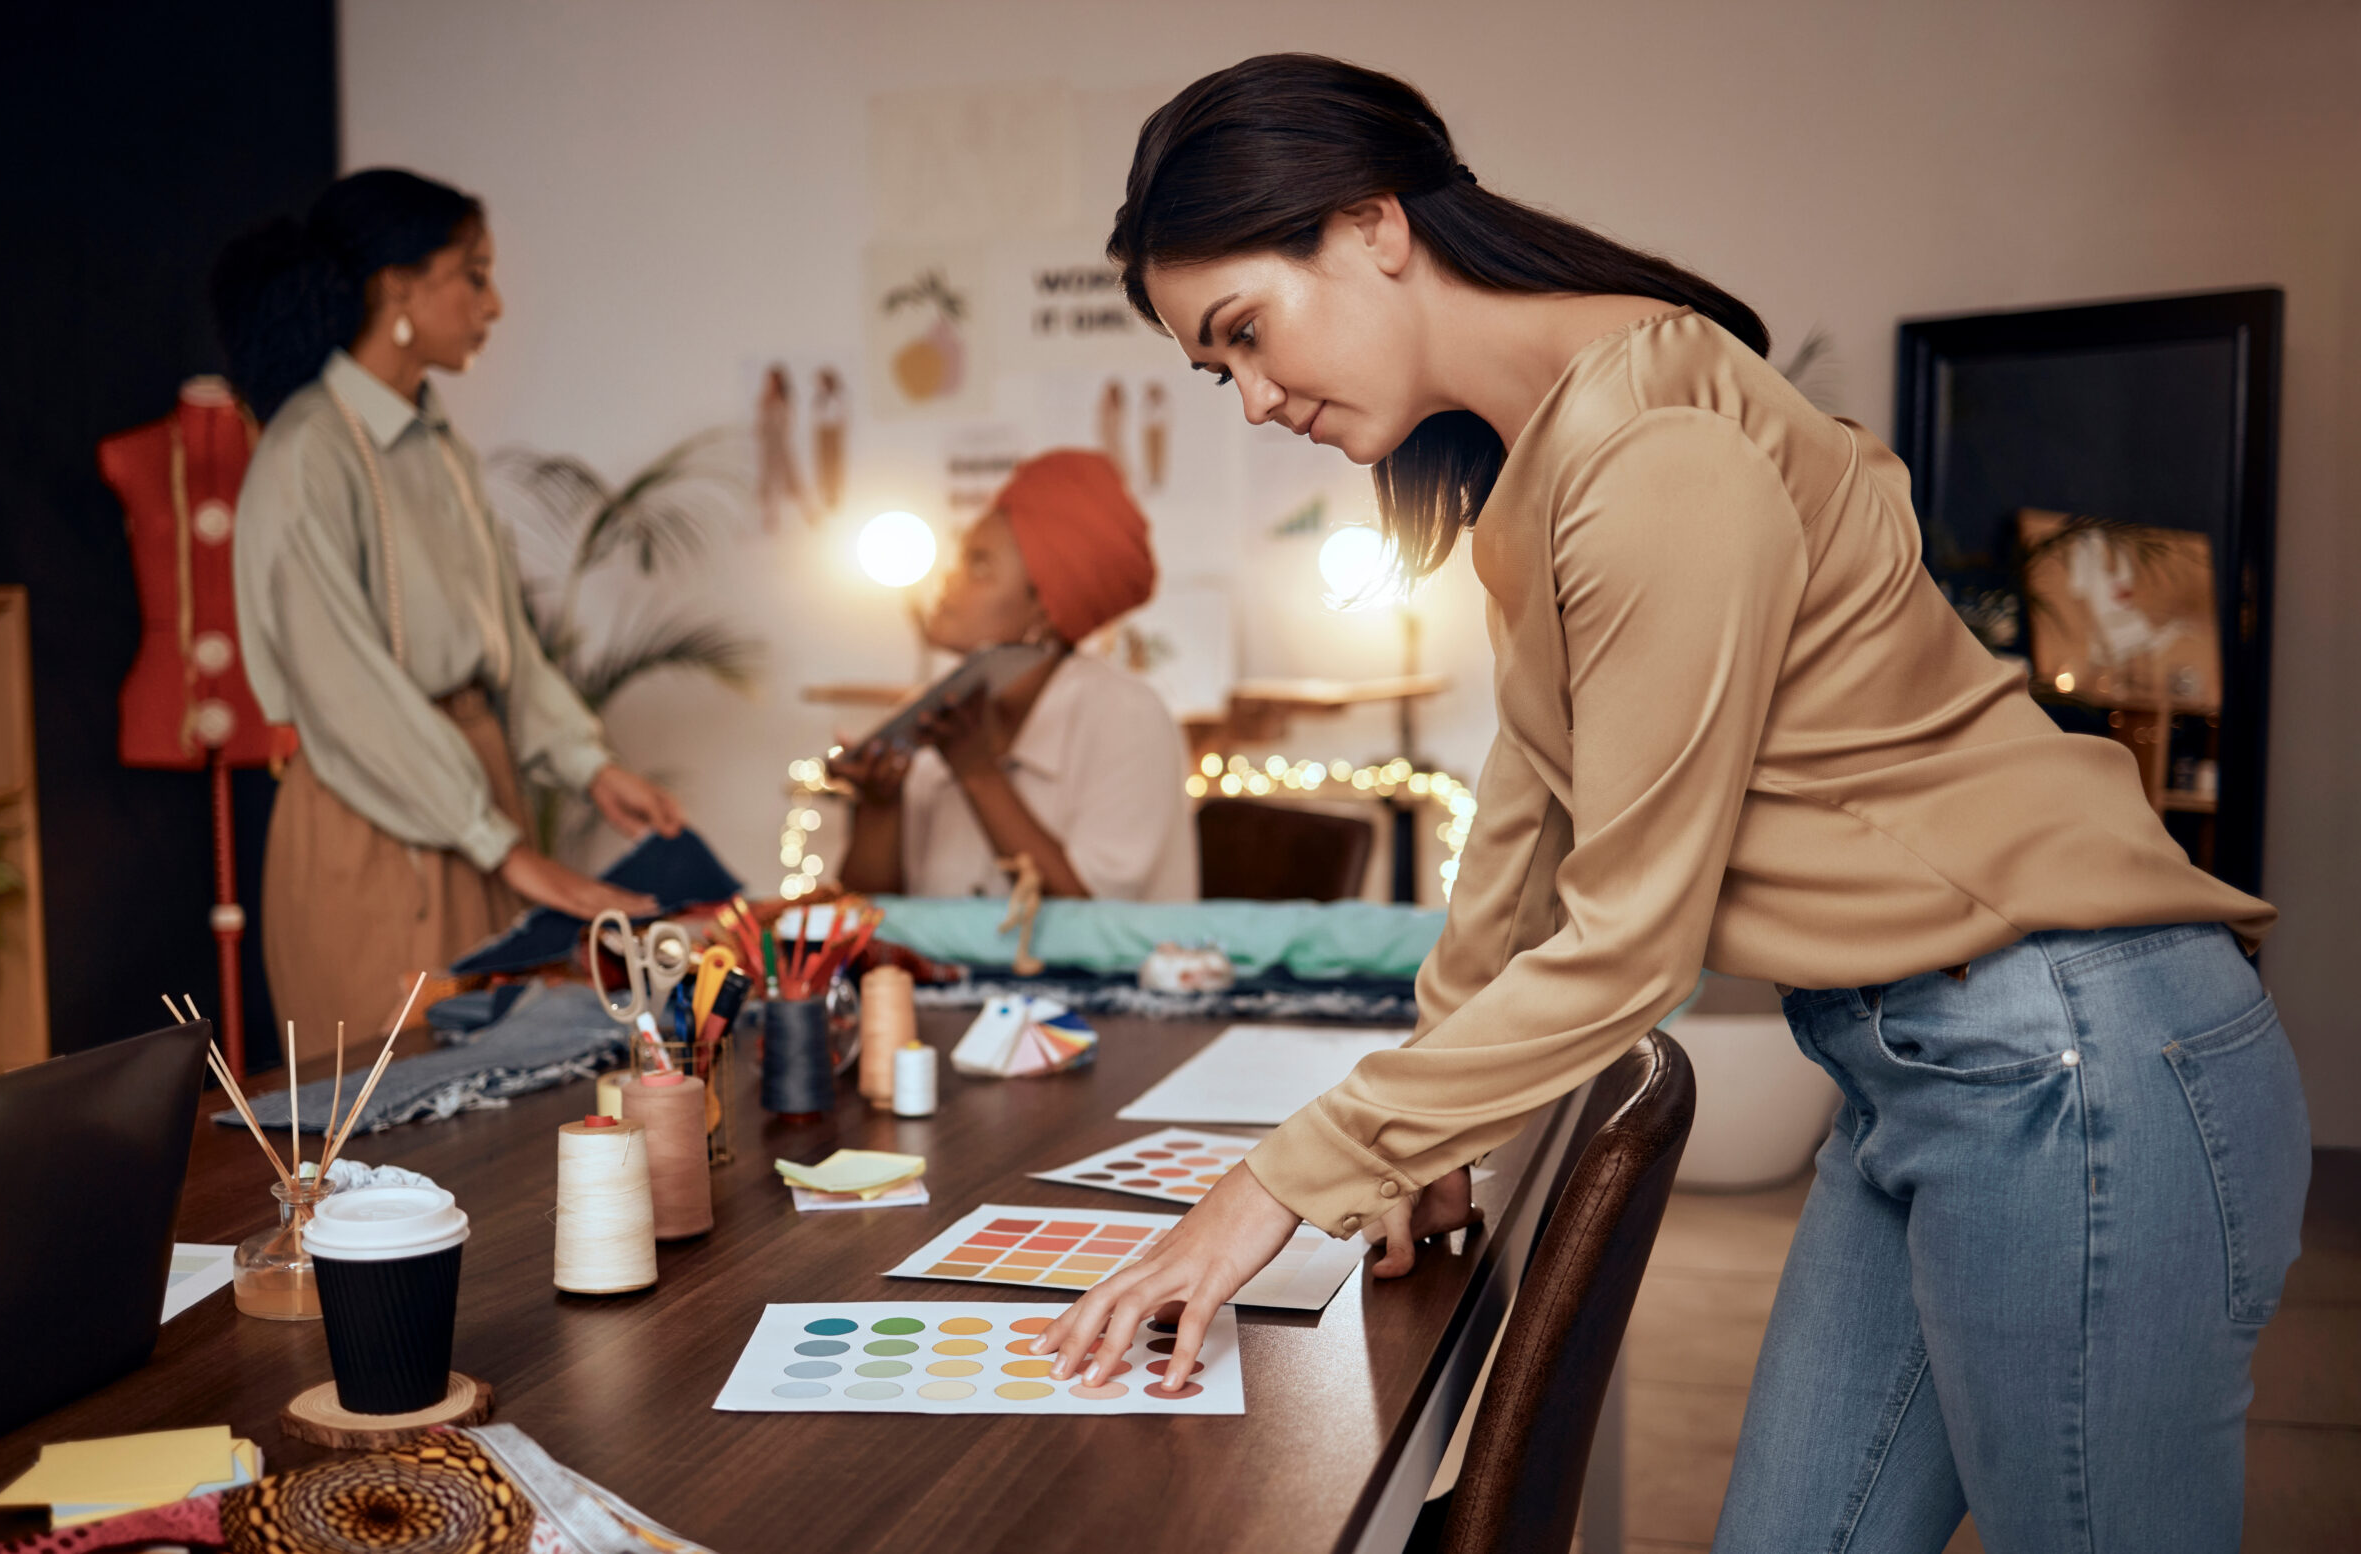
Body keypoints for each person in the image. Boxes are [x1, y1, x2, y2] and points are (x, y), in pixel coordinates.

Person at [1037, 56, 2303, 1554]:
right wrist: (1420, 1130)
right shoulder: (1554, 459)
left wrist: (1274, 1185)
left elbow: (1629, 944)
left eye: (1245, 333)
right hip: (1941, 1064)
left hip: (2068, 1056)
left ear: (1371, 224)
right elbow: (1522, 834)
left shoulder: (1654, 451)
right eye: (1213, 367)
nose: (1249, 399)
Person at [214, 168, 684, 1054]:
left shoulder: (435, 441)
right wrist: (504, 846)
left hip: (473, 802)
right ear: (396, 287)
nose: (495, 303)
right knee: (392, 1114)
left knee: (497, 1098)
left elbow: (502, 641)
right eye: (473, 273)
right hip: (373, 817)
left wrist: (586, 765)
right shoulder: (308, 451)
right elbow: (343, 691)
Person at [833, 449, 1196, 902]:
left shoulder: (1127, 714)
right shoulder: (944, 712)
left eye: (979, 565)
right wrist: (879, 805)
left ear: (1044, 608)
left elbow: (1092, 921)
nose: (949, 578)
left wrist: (978, 773)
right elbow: (868, 914)